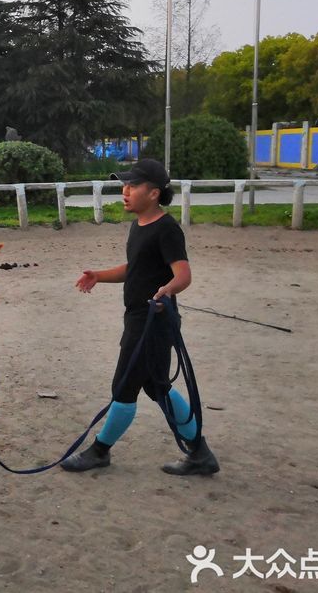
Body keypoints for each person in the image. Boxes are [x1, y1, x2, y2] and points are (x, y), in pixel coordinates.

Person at [62, 158, 219, 476]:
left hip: (151, 321)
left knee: (124, 387)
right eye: (124, 184)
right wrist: (99, 275)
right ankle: (200, 453)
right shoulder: (139, 226)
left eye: (133, 186)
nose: (125, 190)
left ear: (153, 193)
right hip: (139, 318)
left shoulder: (166, 230)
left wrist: (166, 291)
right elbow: (136, 269)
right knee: (157, 387)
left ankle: (100, 451)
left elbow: (183, 275)